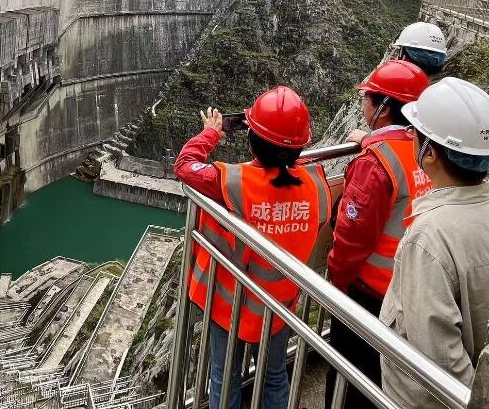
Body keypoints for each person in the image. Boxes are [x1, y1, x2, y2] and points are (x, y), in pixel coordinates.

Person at [175, 87, 333, 409]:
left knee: (223, 376)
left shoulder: (234, 181)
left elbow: (185, 165)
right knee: (275, 375)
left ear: (253, 140)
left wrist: (210, 133)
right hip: (280, 305)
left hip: (229, 307)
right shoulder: (317, 184)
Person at [380, 78, 489, 408]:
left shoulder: (428, 237)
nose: (410, 136)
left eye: (417, 133)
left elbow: (438, 354)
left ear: (430, 154)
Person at [325, 60, 432, 409]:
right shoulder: (425, 149)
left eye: (368, 99)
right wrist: (370, 139)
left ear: (384, 108)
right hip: (407, 285)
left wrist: (335, 284)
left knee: (348, 375)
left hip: (368, 291)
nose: (363, 104)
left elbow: (352, 239)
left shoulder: (375, 163)